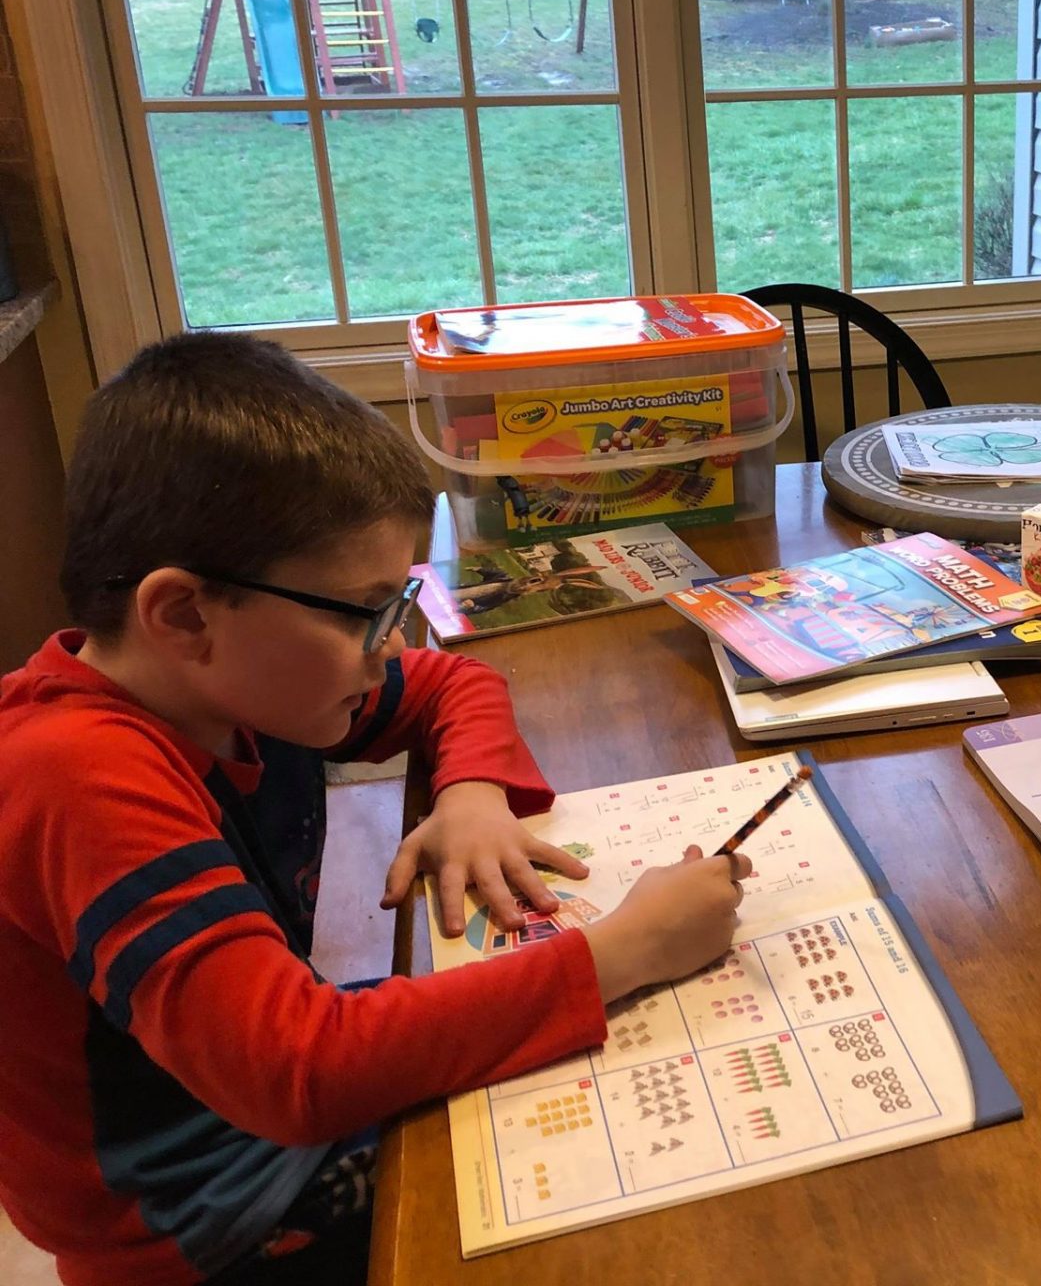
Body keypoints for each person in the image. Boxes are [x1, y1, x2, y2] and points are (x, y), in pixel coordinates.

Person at [0, 333, 748, 1285]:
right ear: (184, 615)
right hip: (205, 1229)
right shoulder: (70, 775)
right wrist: (625, 950)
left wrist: (474, 793)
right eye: (367, 612)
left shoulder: (240, 688)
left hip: (266, 1141)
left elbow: (453, 683)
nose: (391, 648)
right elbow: (295, 1069)